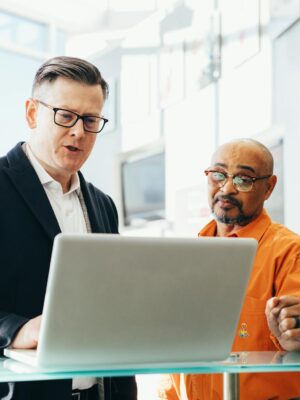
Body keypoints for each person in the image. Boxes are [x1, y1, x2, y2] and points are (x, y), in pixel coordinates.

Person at [0, 56, 137, 400]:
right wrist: (18, 330)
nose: (78, 132)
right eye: (65, 116)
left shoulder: (103, 204)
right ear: (32, 113)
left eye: (91, 120)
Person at [157, 138, 300, 400]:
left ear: (268, 188)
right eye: (218, 175)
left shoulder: (291, 252)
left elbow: (295, 331)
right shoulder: (187, 256)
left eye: (244, 179)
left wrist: (292, 333)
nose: (227, 188)